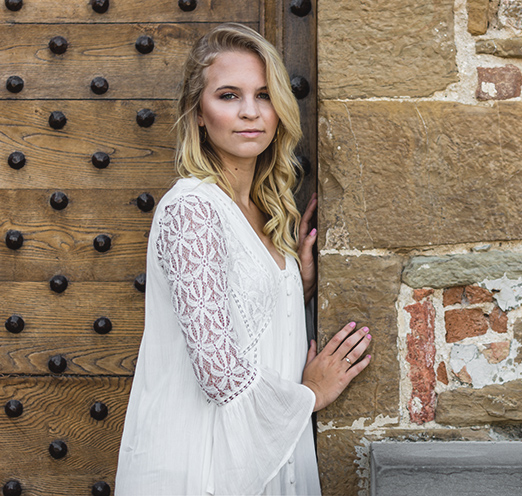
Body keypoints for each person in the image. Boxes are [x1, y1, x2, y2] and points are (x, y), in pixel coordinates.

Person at [115, 23, 372, 495]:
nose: (251, 112)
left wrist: (297, 283)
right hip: (201, 463)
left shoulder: (263, 212)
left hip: (262, 456)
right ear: (197, 112)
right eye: (229, 95)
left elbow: (239, 318)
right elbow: (221, 375)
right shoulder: (191, 208)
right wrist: (310, 394)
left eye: (264, 95)